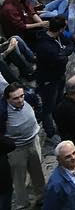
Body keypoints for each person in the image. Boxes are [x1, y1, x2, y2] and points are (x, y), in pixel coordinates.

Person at [2, 82, 45, 210]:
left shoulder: (28, 98)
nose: (20, 100)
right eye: (15, 98)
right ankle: (22, 204)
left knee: (38, 172)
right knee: (19, 179)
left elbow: (38, 104)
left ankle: (42, 197)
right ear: (7, 99)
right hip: (17, 149)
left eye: (21, 96)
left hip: (33, 141)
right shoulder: (2, 112)